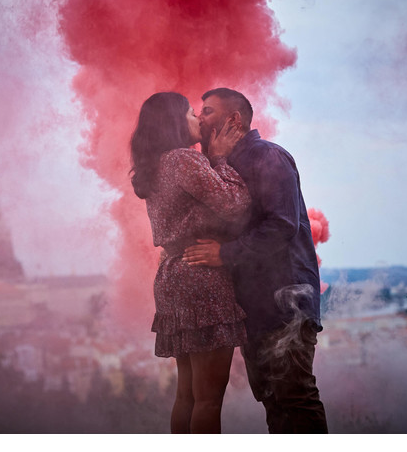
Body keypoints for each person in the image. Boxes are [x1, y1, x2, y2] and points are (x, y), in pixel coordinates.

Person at [183, 88, 329, 433]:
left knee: (294, 396)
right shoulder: (223, 165)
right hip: (256, 307)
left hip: (285, 303)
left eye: (207, 111)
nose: (199, 118)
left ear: (234, 119)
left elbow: (282, 225)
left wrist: (224, 254)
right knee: (274, 400)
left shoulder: (267, 156)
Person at [130, 91, 251, 433]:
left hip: (172, 276)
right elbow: (235, 204)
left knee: (186, 395)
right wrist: (221, 159)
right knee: (209, 398)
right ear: (173, 122)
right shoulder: (184, 160)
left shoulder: (155, 166)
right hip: (202, 278)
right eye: (190, 113)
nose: (198, 119)